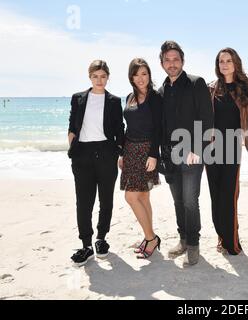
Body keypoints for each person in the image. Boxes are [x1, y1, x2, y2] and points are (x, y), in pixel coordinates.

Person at [158, 41, 214, 266]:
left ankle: (193, 244)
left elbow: (207, 119)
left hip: (192, 153)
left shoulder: (195, 83)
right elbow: (160, 126)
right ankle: (182, 239)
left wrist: (197, 150)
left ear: (182, 61)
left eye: (176, 59)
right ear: (162, 63)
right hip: (170, 155)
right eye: (167, 60)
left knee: (191, 201)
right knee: (178, 201)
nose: (172, 64)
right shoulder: (161, 91)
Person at [68, 60, 124, 267]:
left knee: (106, 199)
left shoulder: (114, 101)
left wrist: (120, 152)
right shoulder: (78, 98)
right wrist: (73, 148)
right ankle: (86, 245)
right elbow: (72, 124)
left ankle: (101, 239)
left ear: (107, 77)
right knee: (83, 201)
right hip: (82, 154)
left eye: (103, 76)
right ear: (89, 77)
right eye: (95, 76)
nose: (99, 80)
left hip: (106, 153)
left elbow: (120, 129)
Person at [206, 48, 248, 255]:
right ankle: (221, 236)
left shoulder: (244, 89)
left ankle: (232, 241)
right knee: (215, 196)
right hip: (211, 148)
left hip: (232, 147)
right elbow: (200, 116)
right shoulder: (211, 89)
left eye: (228, 60)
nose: (224, 64)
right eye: (221, 61)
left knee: (229, 195)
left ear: (236, 63)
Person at [119, 58, 162, 259]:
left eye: (144, 73)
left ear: (149, 75)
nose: (140, 78)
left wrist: (154, 154)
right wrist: (122, 153)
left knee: (131, 196)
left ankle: (151, 238)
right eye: (136, 74)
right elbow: (128, 127)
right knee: (143, 196)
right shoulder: (129, 96)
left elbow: (159, 128)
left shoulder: (154, 98)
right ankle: (149, 237)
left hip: (146, 151)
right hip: (130, 150)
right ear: (131, 77)